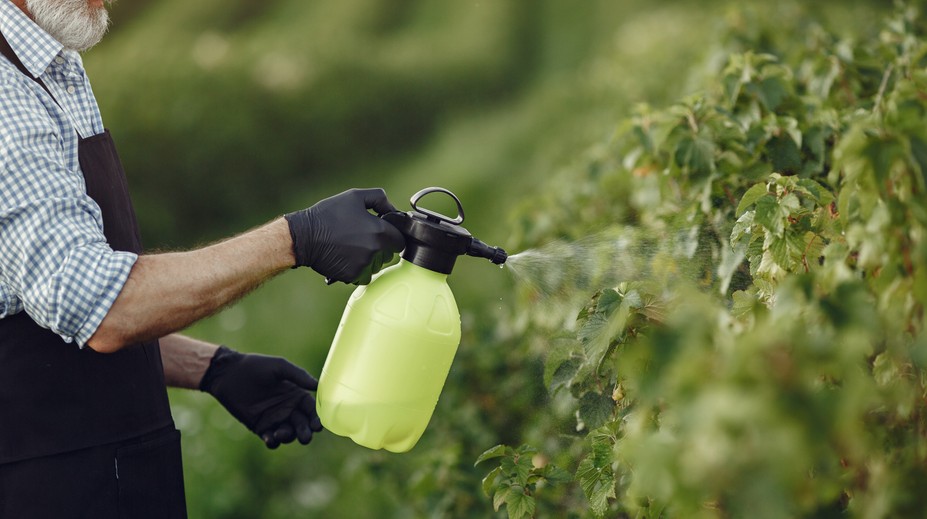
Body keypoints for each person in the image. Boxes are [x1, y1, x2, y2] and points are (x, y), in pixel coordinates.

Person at [0, 0, 405, 516]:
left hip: (114, 475)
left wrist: (212, 368)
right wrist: (296, 239)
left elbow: (46, 306)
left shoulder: (54, 66)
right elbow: (106, 307)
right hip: (48, 489)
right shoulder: (5, 97)